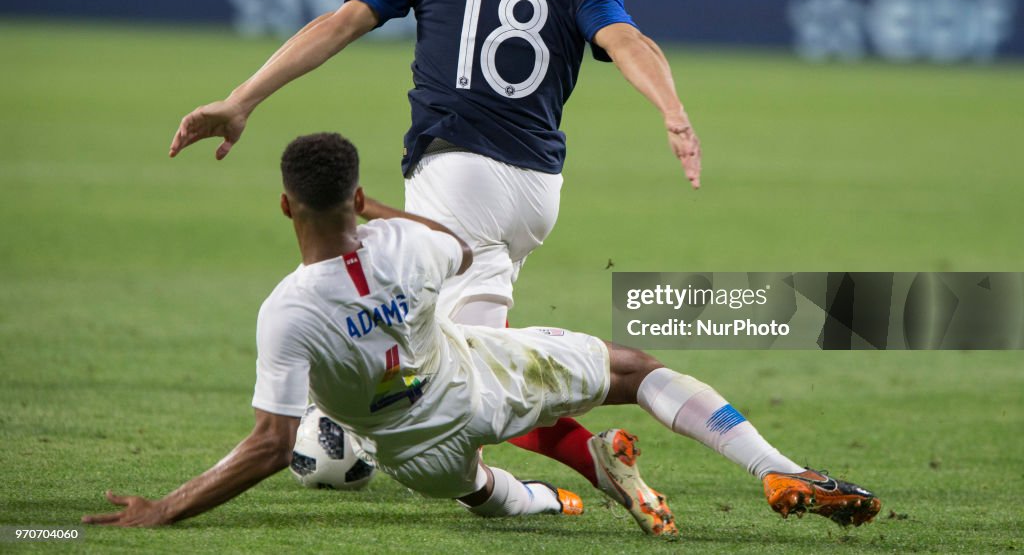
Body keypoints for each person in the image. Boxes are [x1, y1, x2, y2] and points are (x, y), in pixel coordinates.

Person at [167, 0, 700, 510]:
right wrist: (673, 112)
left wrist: (242, 98)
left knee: (454, 381)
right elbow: (629, 43)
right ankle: (588, 461)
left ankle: (579, 464)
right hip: (538, 189)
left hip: (456, 173)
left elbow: (338, 24)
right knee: (469, 364)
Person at [85, 134, 879, 535]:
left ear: (286, 207)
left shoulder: (287, 311)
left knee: (479, 491)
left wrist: (167, 506)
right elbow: (459, 247)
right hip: (485, 375)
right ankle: (778, 469)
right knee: (636, 368)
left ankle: (562, 500)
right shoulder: (406, 245)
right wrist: (384, 214)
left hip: (415, 445)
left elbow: (267, 443)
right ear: (358, 196)